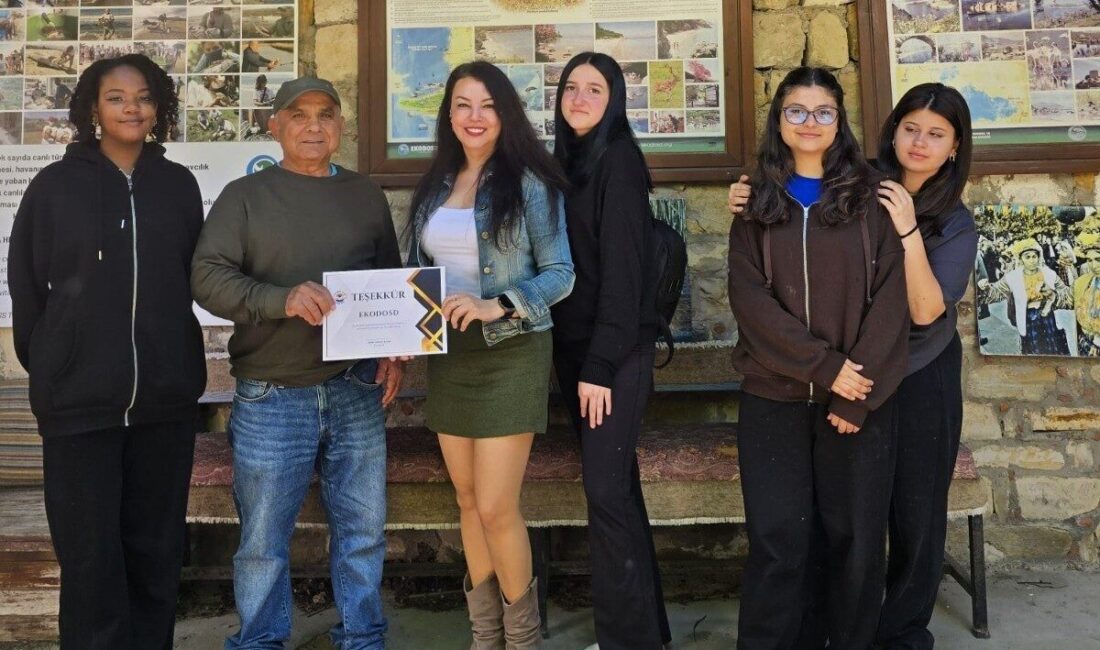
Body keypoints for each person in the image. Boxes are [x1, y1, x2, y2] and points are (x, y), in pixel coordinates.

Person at [729, 82, 979, 649]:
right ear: (891, 131)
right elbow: (753, 289)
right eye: (911, 128)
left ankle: (900, 632)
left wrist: (854, 387)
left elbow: (917, 308)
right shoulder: (856, 185)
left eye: (936, 134)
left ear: (955, 146)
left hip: (908, 374)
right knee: (802, 531)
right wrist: (741, 192)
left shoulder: (946, 220)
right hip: (835, 380)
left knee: (908, 515)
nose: (920, 142)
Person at [191, 77, 405, 650]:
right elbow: (207, 276)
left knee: (362, 531)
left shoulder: (365, 195)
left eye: (326, 115)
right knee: (263, 539)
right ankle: (260, 640)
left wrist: (393, 350)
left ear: (341, 126)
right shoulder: (245, 196)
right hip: (271, 393)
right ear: (275, 126)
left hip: (357, 389)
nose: (314, 126)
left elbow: (391, 280)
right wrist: (278, 299)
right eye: (299, 115)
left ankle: (363, 636)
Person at [8, 53, 205, 650]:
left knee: (155, 551)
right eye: (116, 97)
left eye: (143, 97)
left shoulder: (178, 186)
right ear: (92, 107)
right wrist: (53, 364)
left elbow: (191, 275)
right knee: (90, 560)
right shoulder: (54, 187)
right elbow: (26, 285)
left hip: (164, 405)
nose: (131, 108)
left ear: (159, 106)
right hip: (77, 407)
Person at [725, 66, 909, 650]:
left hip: (856, 402)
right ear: (779, 121)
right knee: (779, 541)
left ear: (840, 122)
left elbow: (892, 300)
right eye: (796, 112)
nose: (809, 123)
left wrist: (856, 391)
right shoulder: (755, 201)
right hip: (772, 399)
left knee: (853, 542)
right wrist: (823, 367)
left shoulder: (871, 199)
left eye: (822, 112)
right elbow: (749, 299)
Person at [406, 60, 573, 649]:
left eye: (487, 105)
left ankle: (523, 639)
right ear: (448, 114)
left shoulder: (530, 182)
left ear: (506, 114)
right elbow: (415, 275)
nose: (474, 117)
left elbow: (560, 275)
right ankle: (485, 637)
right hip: (449, 356)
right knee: (468, 500)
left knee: (499, 505)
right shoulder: (434, 185)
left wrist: (495, 304)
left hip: (511, 352)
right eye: (462, 105)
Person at [549, 52, 670, 650]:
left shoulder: (617, 160)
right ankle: (647, 636)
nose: (579, 98)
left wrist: (598, 367)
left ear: (614, 99)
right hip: (579, 352)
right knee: (617, 489)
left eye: (595, 89)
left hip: (614, 355)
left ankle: (625, 640)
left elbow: (624, 276)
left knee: (605, 493)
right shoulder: (568, 160)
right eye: (571, 87)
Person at [977, 237, 1072, 355]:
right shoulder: (1013, 277)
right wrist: (985, 288)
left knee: (1053, 351)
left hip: (1048, 318)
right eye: (1027, 257)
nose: (1032, 260)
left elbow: (1067, 295)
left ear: (1039, 257)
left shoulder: (1049, 274)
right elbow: (996, 293)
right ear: (1021, 259)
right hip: (1028, 319)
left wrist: (1053, 296)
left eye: (1034, 256)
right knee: (1033, 352)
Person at [1074, 232, 1100, 356]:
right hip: (1085, 343)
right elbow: (1068, 300)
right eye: (1089, 260)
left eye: (1098, 259)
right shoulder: (1082, 282)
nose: (1093, 265)